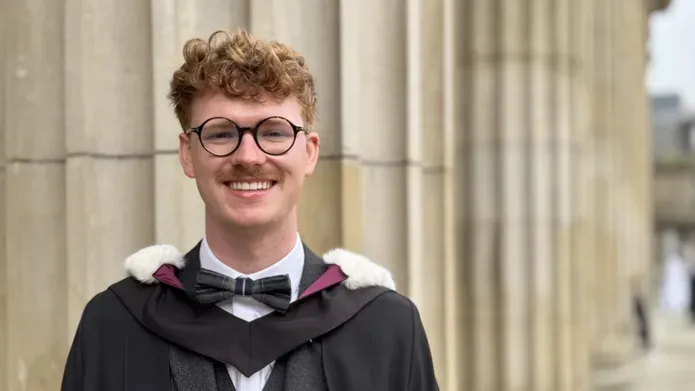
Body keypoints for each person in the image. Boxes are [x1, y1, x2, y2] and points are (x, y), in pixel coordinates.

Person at [60, 29, 439, 391]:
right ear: (187, 154)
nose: (248, 156)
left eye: (274, 132)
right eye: (221, 133)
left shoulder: (386, 326)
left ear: (309, 152)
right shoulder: (114, 324)